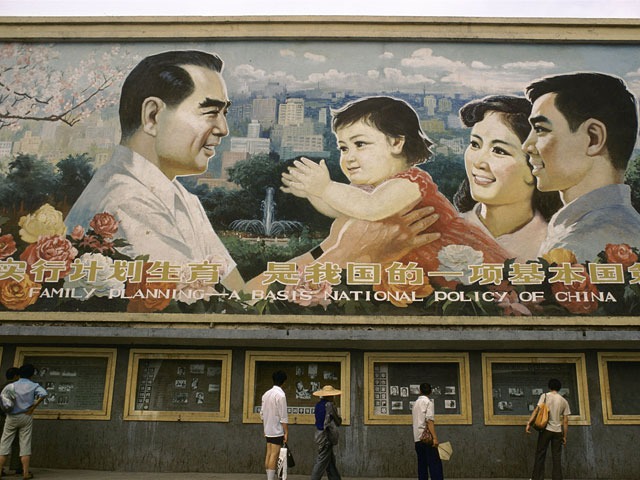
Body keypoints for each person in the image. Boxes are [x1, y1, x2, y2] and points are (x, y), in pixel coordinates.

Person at [65, 51, 441, 294]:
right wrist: (346, 256)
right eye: (210, 112)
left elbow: (238, 294)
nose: (224, 129)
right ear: (152, 116)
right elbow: (214, 315)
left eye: (225, 113)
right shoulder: (126, 203)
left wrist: (331, 250)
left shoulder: (176, 195)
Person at [282, 96, 509, 287]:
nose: (349, 157)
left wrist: (326, 187)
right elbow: (341, 209)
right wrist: (314, 194)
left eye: (360, 144)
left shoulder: (410, 182)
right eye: (343, 148)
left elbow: (371, 208)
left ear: (396, 143)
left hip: (441, 260)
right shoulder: (368, 189)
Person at [523, 72, 640, 262]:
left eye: (541, 129)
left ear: (593, 138)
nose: (527, 146)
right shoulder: (628, 223)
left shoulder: (576, 245)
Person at [454, 95, 562, 261]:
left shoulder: (559, 245)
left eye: (499, 151)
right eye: (475, 144)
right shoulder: (444, 233)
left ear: (536, 165)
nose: (478, 162)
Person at [0, 364, 48, 480]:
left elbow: (3, 399)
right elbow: (44, 394)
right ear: (31, 375)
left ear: (20, 374)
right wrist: (33, 407)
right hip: (26, 416)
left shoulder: (11, 386)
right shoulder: (33, 385)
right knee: (25, 443)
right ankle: (25, 473)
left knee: (5, 443)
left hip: (11, 417)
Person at [526, 378, 571, 480]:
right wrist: (564, 436)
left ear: (549, 387)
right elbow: (565, 421)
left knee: (540, 454)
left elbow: (537, 410)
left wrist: (529, 423)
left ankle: (537, 477)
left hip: (546, 430)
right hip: (558, 431)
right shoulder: (564, 401)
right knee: (556, 457)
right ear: (559, 388)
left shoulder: (545, 396)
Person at [310, 385, 343, 480]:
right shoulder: (329, 405)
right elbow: (337, 421)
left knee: (330, 462)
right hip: (326, 436)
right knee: (321, 461)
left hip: (319, 435)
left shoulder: (318, 405)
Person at [260, 370, 288, 480]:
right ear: (283, 382)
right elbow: (283, 416)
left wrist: (265, 428)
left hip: (268, 429)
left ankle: (269, 477)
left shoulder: (266, 394)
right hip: (277, 430)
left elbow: (262, 414)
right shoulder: (281, 395)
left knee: (268, 454)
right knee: (274, 455)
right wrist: (286, 432)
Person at [412, 383, 443, 480]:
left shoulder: (415, 403)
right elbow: (429, 421)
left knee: (422, 466)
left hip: (417, 438)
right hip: (427, 439)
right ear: (431, 392)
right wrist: (435, 438)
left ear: (420, 391)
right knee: (435, 465)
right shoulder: (428, 402)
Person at [0, 368, 21, 477]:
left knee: (2, 443)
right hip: (12, 417)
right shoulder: (16, 388)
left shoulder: (1, 387)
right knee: (17, 443)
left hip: (1, 417)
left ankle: (1, 468)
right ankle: (17, 466)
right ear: (16, 376)